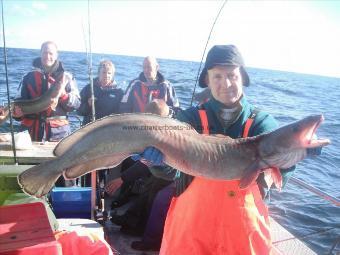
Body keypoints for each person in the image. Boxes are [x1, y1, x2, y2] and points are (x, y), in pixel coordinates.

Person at [135, 45, 298, 254]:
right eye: (217, 76)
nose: (226, 83)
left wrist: (292, 157)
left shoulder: (262, 124)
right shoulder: (188, 120)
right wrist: (155, 163)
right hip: (190, 232)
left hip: (241, 236)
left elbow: (280, 172)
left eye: (232, 75)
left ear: (243, 77)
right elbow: (173, 171)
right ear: (208, 80)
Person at [15, 41, 80, 142]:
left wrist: (64, 95)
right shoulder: (28, 77)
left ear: (56, 55)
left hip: (58, 135)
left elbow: (76, 104)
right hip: (30, 134)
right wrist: (17, 114)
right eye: (45, 53)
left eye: (51, 53)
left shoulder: (67, 77)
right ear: (40, 54)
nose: (47, 56)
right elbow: (18, 102)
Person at [77, 59, 124, 125]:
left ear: (113, 75)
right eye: (104, 72)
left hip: (108, 128)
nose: (106, 75)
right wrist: (88, 104)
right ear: (99, 73)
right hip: (89, 127)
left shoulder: (119, 92)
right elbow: (79, 111)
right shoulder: (89, 88)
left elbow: (122, 114)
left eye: (109, 73)